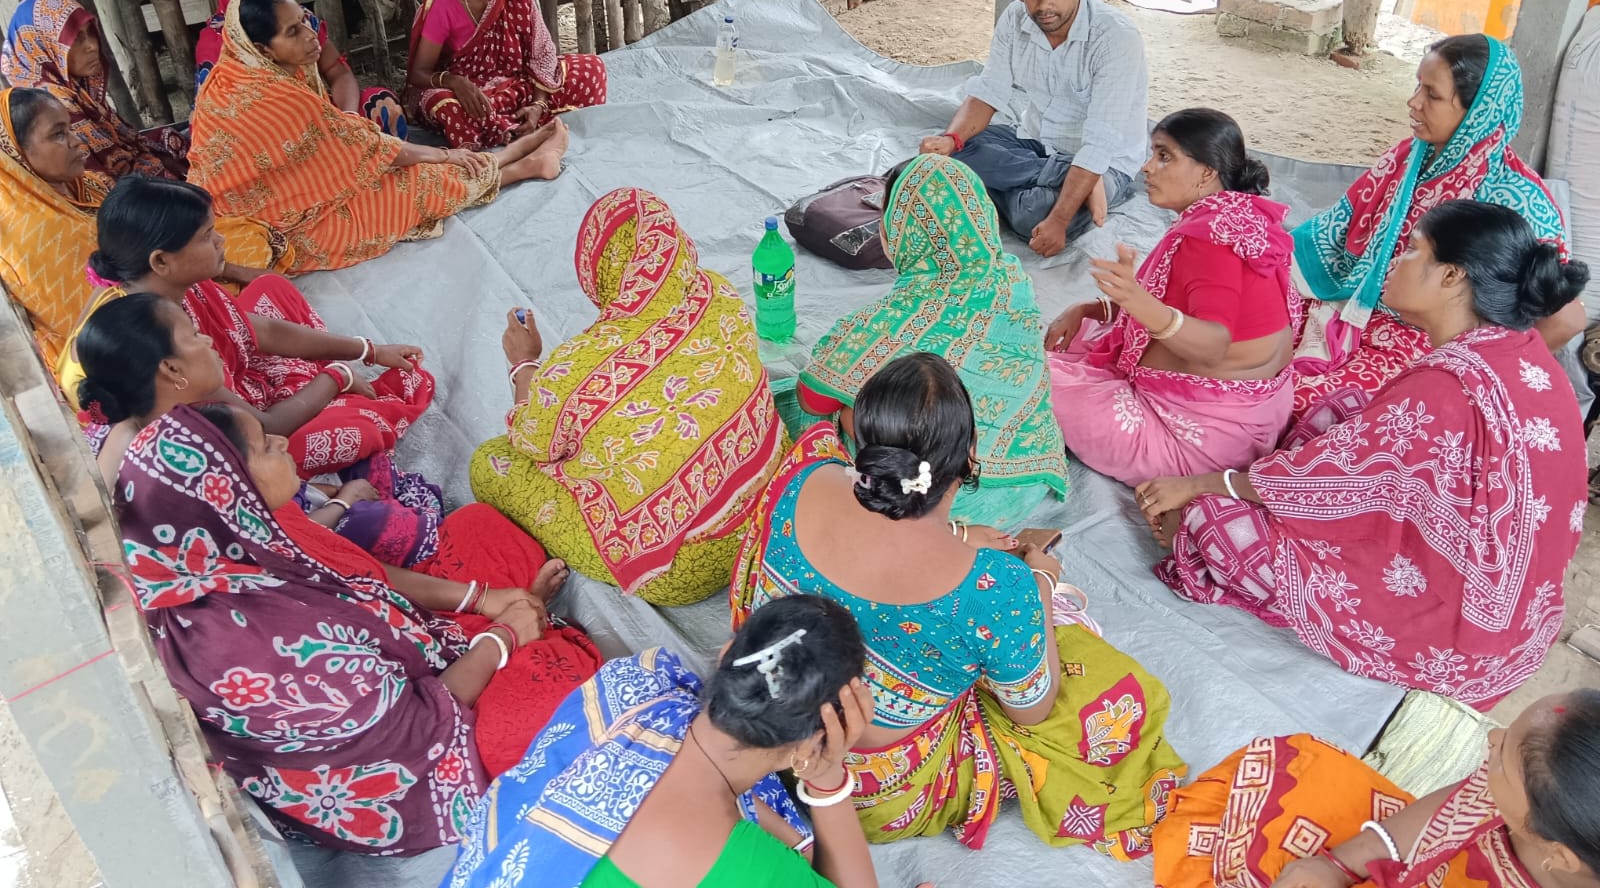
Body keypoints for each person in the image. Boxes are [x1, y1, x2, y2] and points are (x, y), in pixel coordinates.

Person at [1139, 201, 1590, 708]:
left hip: (1451, 630)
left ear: (1451, 277)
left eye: (1414, 249)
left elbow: (1319, 482)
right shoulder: (1524, 353)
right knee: (1345, 406)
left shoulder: (1445, 388)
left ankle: (1226, 541)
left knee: (1211, 521)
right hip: (1510, 620)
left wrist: (1203, 484)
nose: (1396, 257)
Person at [733, 353, 1185, 854]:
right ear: (971, 454)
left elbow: (872, 548)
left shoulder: (805, 473)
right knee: (1107, 688)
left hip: (754, 718)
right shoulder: (999, 588)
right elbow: (1030, 712)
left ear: (863, 439)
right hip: (863, 789)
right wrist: (1036, 582)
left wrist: (960, 538)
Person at [111, 401, 600, 851]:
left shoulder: (245, 538)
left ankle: (521, 628)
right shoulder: (247, 646)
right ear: (229, 490)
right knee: (544, 705)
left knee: (480, 531)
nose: (281, 442)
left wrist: (483, 599)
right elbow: (413, 728)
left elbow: (367, 577)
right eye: (264, 445)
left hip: (408, 648)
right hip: (408, 766)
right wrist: (505, 636)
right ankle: (530, 636)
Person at [446, 596, 896, 888]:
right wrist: (828, 779)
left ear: (726, 653)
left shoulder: (634, 682)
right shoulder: (739, 865)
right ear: (809, 744)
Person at [471, 188, 785, 605]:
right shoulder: (719, 294)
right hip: (776, 506)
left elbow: (531, 441)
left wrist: (523, 364)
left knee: (491, 463)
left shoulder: (576, 369)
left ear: (598, 271)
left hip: (680, 570)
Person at [70, 175, 439, 487]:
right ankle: (326, 403)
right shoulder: (156, 349)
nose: (221, 242)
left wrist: (367, 349)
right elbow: (263, 427)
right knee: (352, 428)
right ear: (161, 261)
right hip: (239, 443)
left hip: (235, 389)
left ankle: (309, 386)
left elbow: (253, 330)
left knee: (272, 289)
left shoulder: (170, 289)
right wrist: (337, 376)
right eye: (206, 236)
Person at [1291, 35, 1585, 424]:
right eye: (1417, 85)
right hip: (1352, 310)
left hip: (1424, 346)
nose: (1413, 102)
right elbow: (1337, 232)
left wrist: (1472, 373)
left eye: (1432, 94)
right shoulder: (1408, 159)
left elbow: (1564, 320)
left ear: (1478, 111)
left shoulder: (1518, 203)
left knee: (1301, 407)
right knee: (1245, 335)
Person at [188, 0, 568, 272]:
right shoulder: (267, 96)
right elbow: (364, 148)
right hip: (275, 226)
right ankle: (522, 164)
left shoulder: (247, 70)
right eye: (293, 32)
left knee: (401, 165)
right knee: (415, 183)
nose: (309, 34)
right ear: (263, 49)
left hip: (292, 189)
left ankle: (510, 156)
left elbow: (339, 143)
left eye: (304, 21)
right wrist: (445, 153)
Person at [797, 155, 1068, 528]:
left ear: (899, 230)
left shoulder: (897, 320)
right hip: (1021, 488)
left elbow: (811, 399)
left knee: (830, 415)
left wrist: (848, 405)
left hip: (932, 499)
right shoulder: (1010, 282)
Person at [75, 290, 440, 566]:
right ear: (170, 370)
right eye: (193, 336)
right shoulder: (176, 458)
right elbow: (258, 549)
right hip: (255, 558)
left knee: (370, 470)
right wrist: (342, 502)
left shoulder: (157, 416)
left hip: (269, 507)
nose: (206, 339)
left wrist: (330, 493)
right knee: (398, 525)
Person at [1046, 109, 1297, 485]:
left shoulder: (1208, 241)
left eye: (1165, 156)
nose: (1147, 167)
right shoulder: (1241, 219)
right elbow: (1182, 305)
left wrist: (1135, 300)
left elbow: (1213, 344)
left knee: (1019, 377)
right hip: (1252, 425)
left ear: (1206, 172)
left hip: (1194, 442)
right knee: (1064, 348)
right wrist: (1090, 308)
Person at [1153, 692, 1600, 888]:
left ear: (1559, 855)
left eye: (1501, 758)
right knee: (1293, 767)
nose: (1491, 737)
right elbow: (1438, 813)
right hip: (1425, 869)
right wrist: (1338, 866)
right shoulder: (1529, 795)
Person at [917, 0, 1148, 256]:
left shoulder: (1115, 38)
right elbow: (989, 91)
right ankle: (1058, 177)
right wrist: (952, 140)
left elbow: (1099, 144)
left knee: (1033, 215)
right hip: (1033, 143)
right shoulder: (1015, 18)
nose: (1043, 6)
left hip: (1105, 164)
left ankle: (1041, 185)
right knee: (946, 155)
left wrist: (1058, 220)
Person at [406, 0, 607, 150]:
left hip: (519, 85)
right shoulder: (444, 6)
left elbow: (540, 53)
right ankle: (511, 128)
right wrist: (454, 81)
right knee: (442, 104)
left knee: (592, 68)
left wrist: (538, 104)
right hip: (472, 96)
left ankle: (518, 123)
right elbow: (418, 73)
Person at [193, 0, 406, 136]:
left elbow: (337, 71)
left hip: (320, 117)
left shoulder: (303, 19)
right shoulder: (219, 43)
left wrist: (347, 117)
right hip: (264, 135)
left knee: (380, 104)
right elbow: (223, 119)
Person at [1, 0, 187, 190]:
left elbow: (126, 145)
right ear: (43, 45)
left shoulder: (76, 90)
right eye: (77, 38)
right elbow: (103, 186)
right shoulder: (48, 105)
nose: (92, 45)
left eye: (90, 32)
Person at [0, 87, 101, 368]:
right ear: (16, 152)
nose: (76, 140)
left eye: (69, 129)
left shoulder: (84, 186)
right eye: (58, 134)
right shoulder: (35, 232)